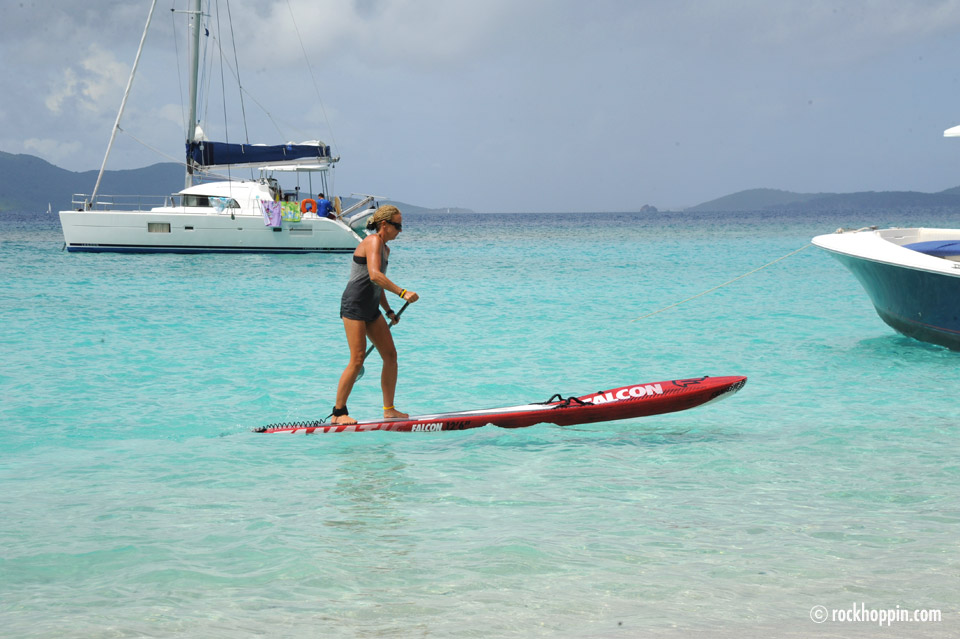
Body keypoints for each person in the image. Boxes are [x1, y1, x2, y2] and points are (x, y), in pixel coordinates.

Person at [332, 205, 419, 425]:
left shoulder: (386, 250)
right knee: (357, 358)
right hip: (354, 305)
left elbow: (377, 286)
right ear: (384, 225)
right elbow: (374, 275)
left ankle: (389, 410)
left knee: (390, 356)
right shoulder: (373, 242)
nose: (400, 230)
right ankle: (338, 413)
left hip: (371, 307)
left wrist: (388, 310)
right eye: (397, 225)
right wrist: (402, 292)